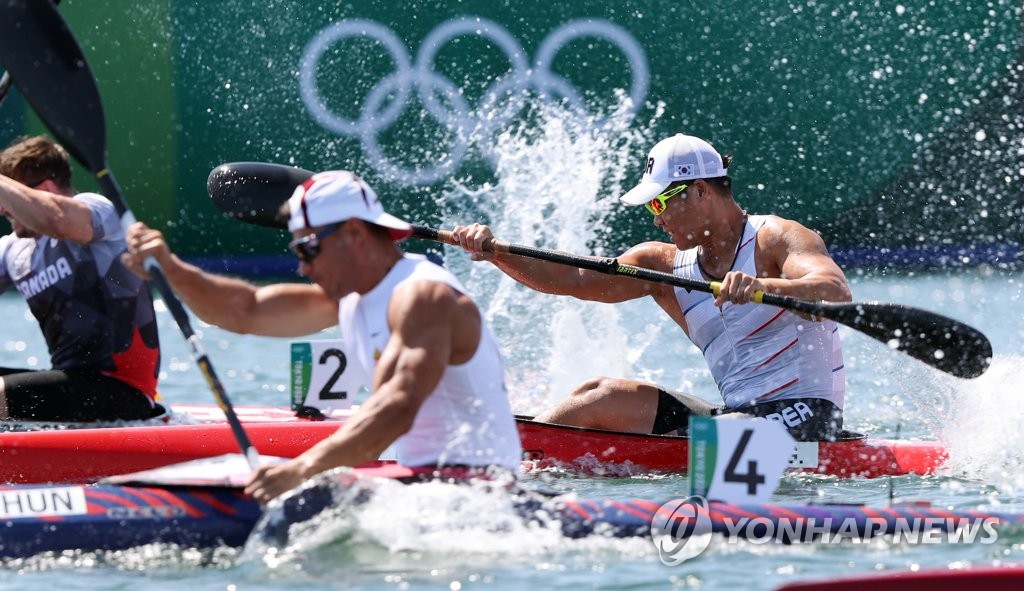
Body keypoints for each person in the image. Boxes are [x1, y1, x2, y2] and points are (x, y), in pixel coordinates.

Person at [122, 170, 521, 503]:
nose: (301, 267)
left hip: (477, 496)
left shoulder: (423, 296)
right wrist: (173, 270)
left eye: (307, 249)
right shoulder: (350, 298)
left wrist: (301, 469)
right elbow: (246, 311)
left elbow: (396, 408)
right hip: (425, 490)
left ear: (354, 233)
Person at [451, 133, 851, 441]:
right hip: (737, 416)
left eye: (661, 203)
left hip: (807, 414)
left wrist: (761, 283)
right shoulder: (660, 265)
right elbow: (572, 279)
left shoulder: (775, 238)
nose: (656, 219)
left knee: (723, 436)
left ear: (700, 190)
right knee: (600, 394)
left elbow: (834, 290)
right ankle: (516, 459)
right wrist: (496, 252)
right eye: (650, 207)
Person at [0, 135, 161, 422]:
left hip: (123, 392)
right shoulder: (13, 250)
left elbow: (57, 220)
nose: (2, 209)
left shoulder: (98, 211)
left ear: (46, 189)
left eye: (7, 196)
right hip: (68, 386)